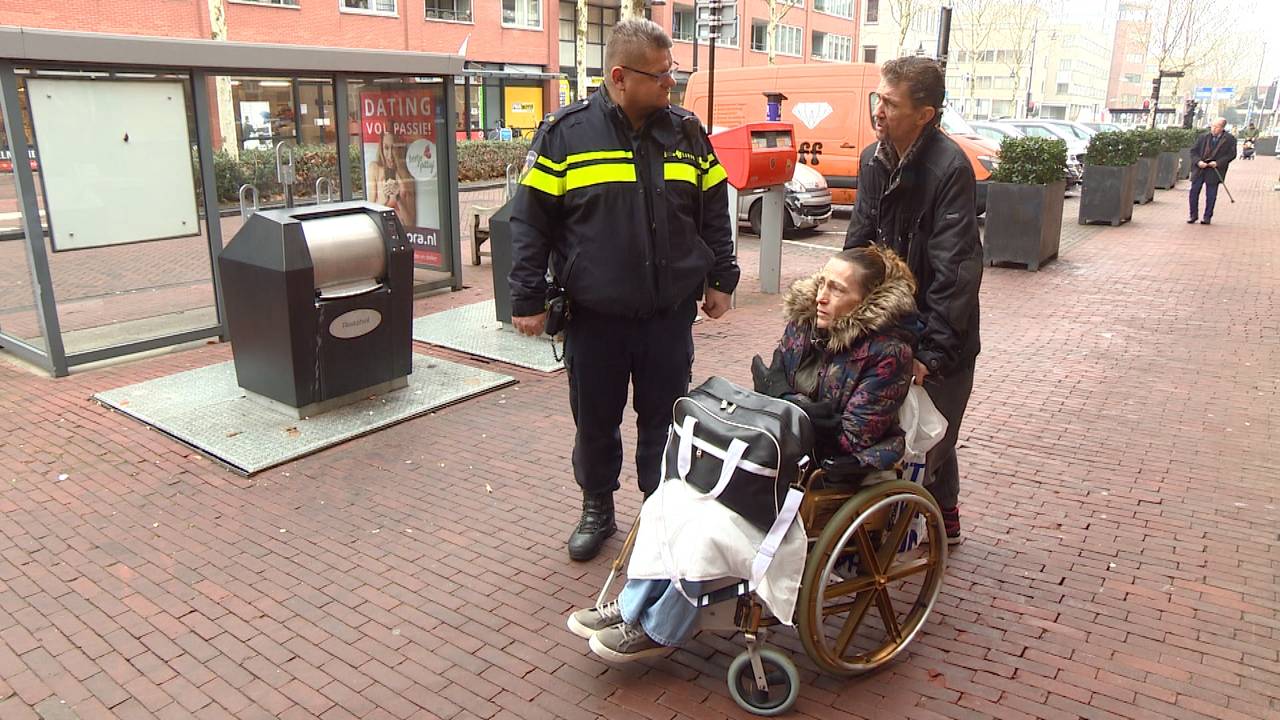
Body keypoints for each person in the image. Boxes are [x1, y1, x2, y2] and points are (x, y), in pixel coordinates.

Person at [566, 247, 917, 661]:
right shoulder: (804, 326)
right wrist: (796, 407)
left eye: (837, 289)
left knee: (711, 527)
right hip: (777, 456)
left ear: (868, 300)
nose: (822, 295)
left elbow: (854, 436)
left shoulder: (888, 355)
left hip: (831, 472)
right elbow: (771, 390)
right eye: (823, 282)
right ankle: (631, 608)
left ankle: (659, 628)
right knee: (674, 499)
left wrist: (790, 407)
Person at [508, 18, 740, 562]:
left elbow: (713, 211)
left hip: (667, 316)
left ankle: (658, 513)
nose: (671, 84)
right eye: (662, 76)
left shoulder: (686, 132)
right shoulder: (565, 135)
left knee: (665, 419)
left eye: (672, 73)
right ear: (619, 76)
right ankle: (597, 508)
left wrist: (722, 279)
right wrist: (525, 298)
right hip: (596, 319)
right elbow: (529, 223)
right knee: (596, 421)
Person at [843, 56, 983, 546]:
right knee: (922, 426)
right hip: (888, 324)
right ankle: (943, 511)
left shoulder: (949, 168)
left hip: (941, 331)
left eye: (890, 102)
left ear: (925, 114)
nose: (878, 110)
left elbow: (957, 272)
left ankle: (938, 517)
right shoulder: (871, 159)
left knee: (933, 432)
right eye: (877, 98)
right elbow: (859, 246)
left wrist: (933, 353)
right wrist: (839, 304)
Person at [1187, 118, 1237, 225]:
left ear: (1222, 128)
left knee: (1211, 194)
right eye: (1212, 126)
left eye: (1216, 127)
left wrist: (1218, 163)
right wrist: (1198, 161)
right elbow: (1193, 151)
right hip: (1200, 168)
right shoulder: (1203, 137)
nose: (1213, 129)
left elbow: (1231, 154)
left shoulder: (1229, 139)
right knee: (1194, 191)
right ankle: (1193, 215)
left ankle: (1207, 216)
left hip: (1214, 170)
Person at [367, 131, 416, 229]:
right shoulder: (375, 168)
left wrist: (398, 198)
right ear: (381, 148)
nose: (390, 155)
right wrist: (384, 200)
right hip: (381, 228)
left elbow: (410, 223)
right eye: (386, 148)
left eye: (394, 148)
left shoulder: (407, 177)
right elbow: (370, 213)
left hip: (401, 231)